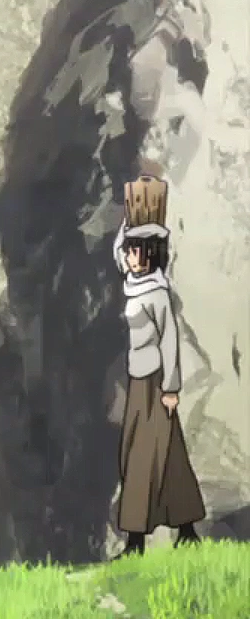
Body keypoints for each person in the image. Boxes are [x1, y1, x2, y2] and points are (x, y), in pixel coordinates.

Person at [112, 214, 206, 555]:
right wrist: (128, 221)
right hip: (138, 380)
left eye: (136, 251)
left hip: (154, 383)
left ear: (150, 255)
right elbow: (117, 254)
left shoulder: (157, 293)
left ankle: (136, 540)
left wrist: (170, 388)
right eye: (129, 251)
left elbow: (169, 340)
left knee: (143, 456)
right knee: (163, 453)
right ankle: (186, 529)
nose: (130, 257)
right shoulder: (133, 285)